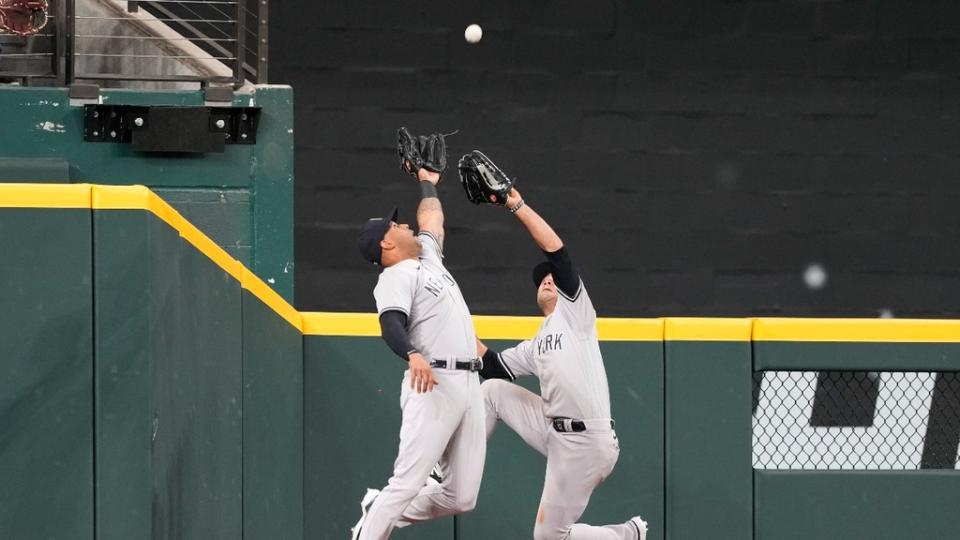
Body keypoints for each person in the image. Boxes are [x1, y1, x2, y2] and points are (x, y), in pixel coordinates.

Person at [473, 162, 648, 540]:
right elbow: (492, 366)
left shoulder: (576, 313)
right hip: (554, 430)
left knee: (549, 538)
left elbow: (558, 254)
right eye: (541, 281)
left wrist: (514, 204)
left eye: (551, 278)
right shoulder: (538, 342)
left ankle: (626, 535)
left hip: (587, 442)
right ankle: (456, 472)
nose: (548, 281)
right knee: (492, 392)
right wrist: (453, 325)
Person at [351, 132, 485, 540]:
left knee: (462, 497)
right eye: (395, 223)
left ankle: (380, 510)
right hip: (433, 384)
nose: (403, 222)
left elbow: (431, 218)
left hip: (469, 383)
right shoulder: (393, 276)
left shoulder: (427, 256)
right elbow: (390, 322)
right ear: (387, 242)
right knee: (406, 483)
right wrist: (412, 354)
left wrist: (427, 180)